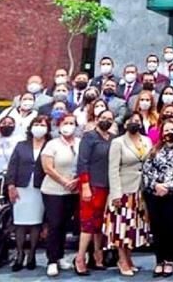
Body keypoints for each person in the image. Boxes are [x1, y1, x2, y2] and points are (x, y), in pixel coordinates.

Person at [106, 112, 152, 277]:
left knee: (133, 228)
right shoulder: (117, 143)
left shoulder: (147, 141)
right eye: (131, 120)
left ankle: (129, 258)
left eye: (138, 120)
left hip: (140, 190)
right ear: (125, 124)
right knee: (121, 227)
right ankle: (121, 259)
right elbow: (113, 169)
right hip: (123, 190)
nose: (135, 123)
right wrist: (116, 194)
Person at [142, 117, 173, 278]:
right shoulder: (154, 150)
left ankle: (170, 261)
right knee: (157, 229)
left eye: (172, 129)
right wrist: (156, 185)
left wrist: (167, 187)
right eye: (166, 130)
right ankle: (159, 261)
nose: (169, 133)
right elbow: (147, 171)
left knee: (171, 228)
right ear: (161, 133)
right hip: (154, 194)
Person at [74, 107, 114, 274]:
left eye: (110, 118)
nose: (106, 120)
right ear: (97, 119)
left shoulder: (113, 138)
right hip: (91, 186)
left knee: (99, 225)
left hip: (107, 186)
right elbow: (82, 162)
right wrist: (85, 185)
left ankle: (98, 256)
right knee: (88, 224)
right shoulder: (89, 137)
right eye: (103, 117)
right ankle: (80, 258)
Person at [6, 115, 49, 271]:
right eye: (37, 124)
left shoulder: (50, 145)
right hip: (21, 187)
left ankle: (31, 255)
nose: (39, 127)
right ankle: (19, 254)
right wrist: (11, 185)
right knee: (20, 222)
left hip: (40, 187)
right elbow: (12, 166)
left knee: (36, 222)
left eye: (43, 124)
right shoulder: (21, 145)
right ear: (31, 127)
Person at [40, 113, 81, 277]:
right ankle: (51, 260)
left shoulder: (80, 143)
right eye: (66, 123)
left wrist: (76, 181)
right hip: (54, 190)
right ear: (59, 125)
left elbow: (84, 163)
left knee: (65, 225)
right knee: (55, 225)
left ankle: (61, 256)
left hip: (74, 189)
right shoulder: (52, 144)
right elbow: (47, 168)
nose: (69, 126)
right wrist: (64, 181)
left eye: (72, 123)